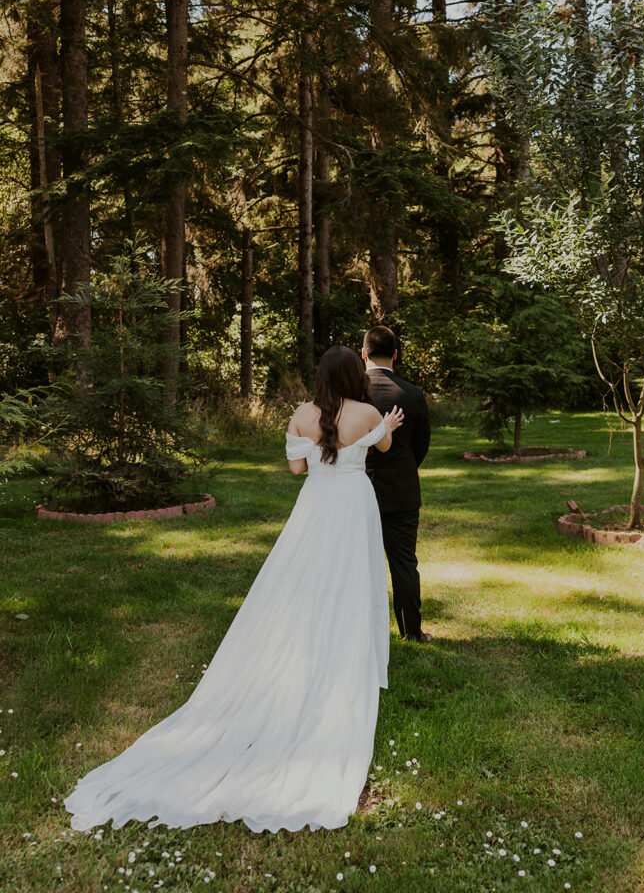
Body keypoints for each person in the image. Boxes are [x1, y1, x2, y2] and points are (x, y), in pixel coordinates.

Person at [64, 346, 404, 835]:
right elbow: (383, 449)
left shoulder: (301, 414)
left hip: (316, 506)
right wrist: (386, 428)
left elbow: (297, 470)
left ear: (320, 376)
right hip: (353, 504)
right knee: (351, 577)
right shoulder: (368, 412)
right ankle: (345, 651)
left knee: (303, 579)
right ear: (355, 374)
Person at [362, 325, 432, 642]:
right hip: (401, 491)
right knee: (404, 563)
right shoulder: (412, 394)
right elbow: (421, 446)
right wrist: (403, 470)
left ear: (363, 354)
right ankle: (411, 632)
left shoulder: (352, 394)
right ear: (395, 354)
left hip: (358, 489)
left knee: (357, 563)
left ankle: (361, 632)